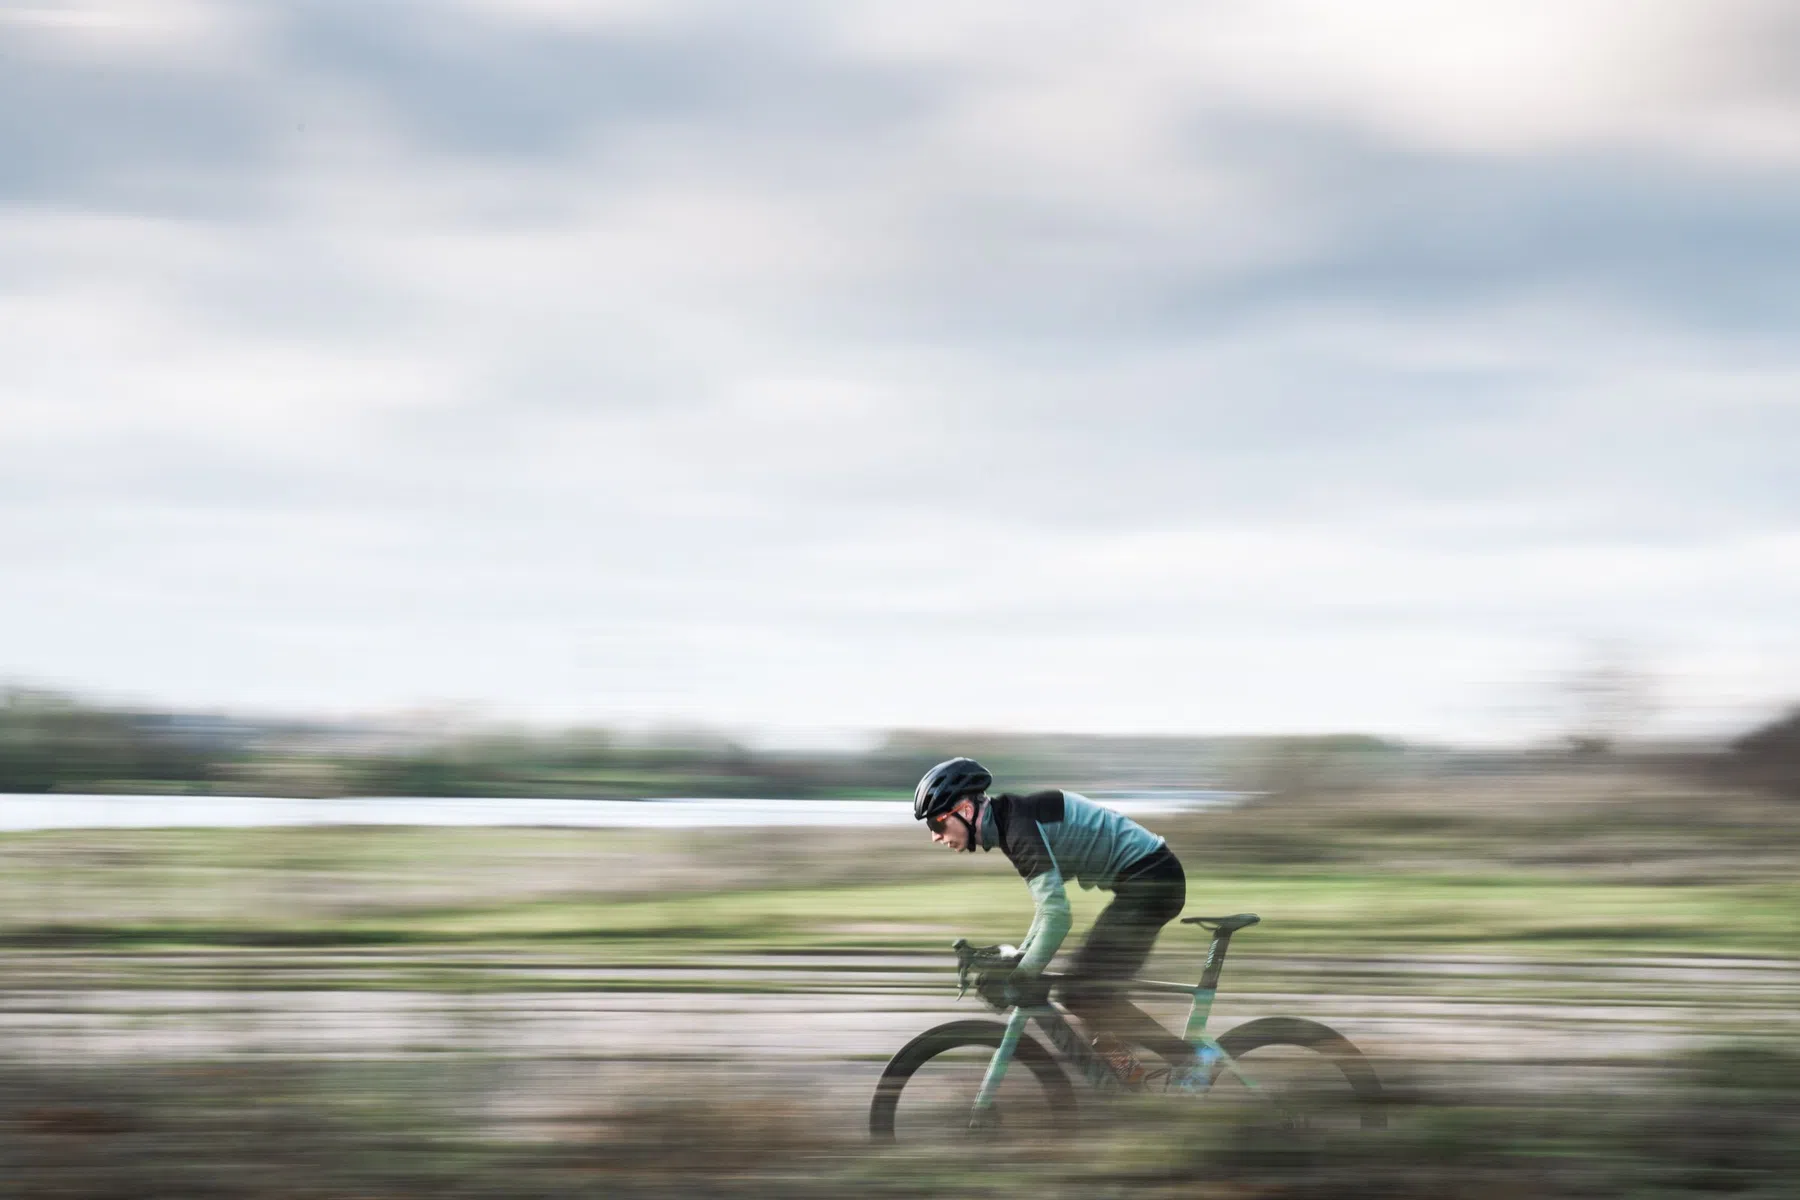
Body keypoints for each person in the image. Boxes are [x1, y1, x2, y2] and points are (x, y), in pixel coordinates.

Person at [914, 756, 1199, 1085]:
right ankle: (1130, 1076)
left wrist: (1022, 972)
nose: (935, 836)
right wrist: (1022, 957)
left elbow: (1058, 916)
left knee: (1082, 993)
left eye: (936, 824)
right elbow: (1046, 911)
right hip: (1144, 879)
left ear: (964, 811)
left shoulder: (1018, 829)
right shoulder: (1011, 823)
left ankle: (1189, 1060)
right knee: (1082, 992)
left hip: (1152, 881)